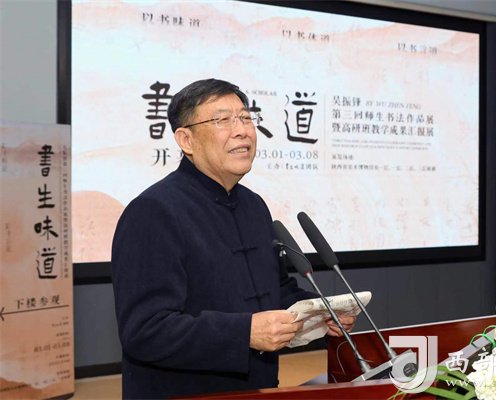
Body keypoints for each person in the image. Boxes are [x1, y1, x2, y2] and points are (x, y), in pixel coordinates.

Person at [111, 78, 355, 399]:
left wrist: (320, 314)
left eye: (245, 118)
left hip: (257, 388)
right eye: (222, 120)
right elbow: (145, 330)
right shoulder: (153, 211)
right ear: (186, 140)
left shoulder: (253, 205)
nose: (241, 131)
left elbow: (275, 290)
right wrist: (245, 333)